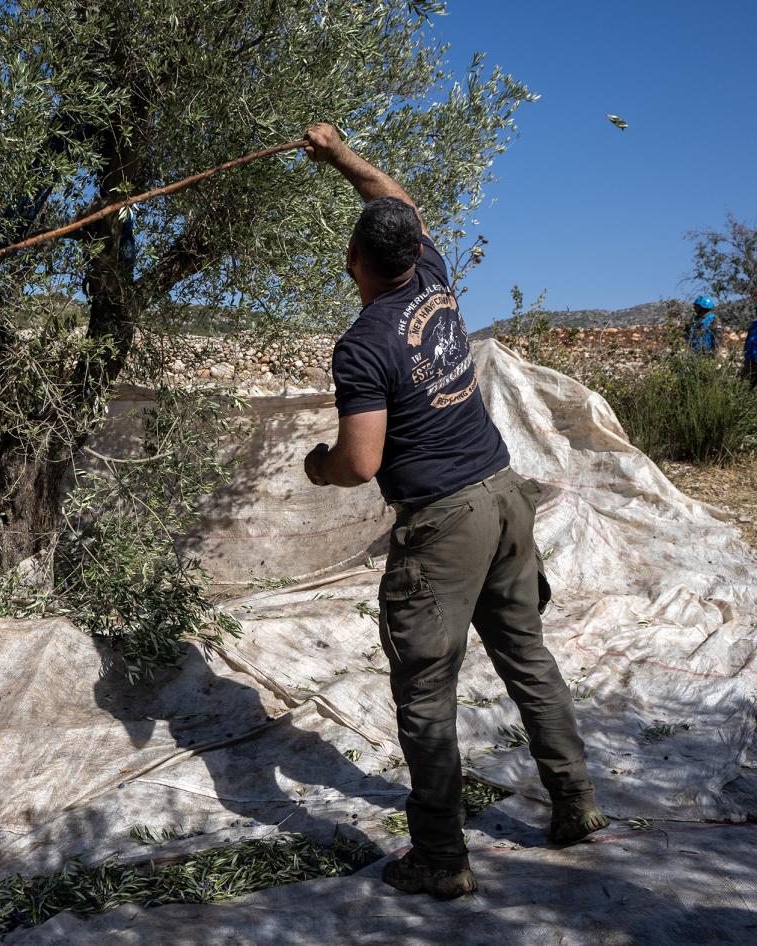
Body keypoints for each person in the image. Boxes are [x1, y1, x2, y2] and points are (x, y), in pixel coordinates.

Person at [300, 123, 604, 900]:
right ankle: (576, 804)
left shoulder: (363, 342)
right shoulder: (432, 276)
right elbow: (394, 199)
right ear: (411, 250)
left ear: (353, 262)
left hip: (445, 523)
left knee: (425, 691)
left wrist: (317, 466)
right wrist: (341, 157)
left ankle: (439, 855)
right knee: (526, 655)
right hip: (506, 496)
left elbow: (361, 461)